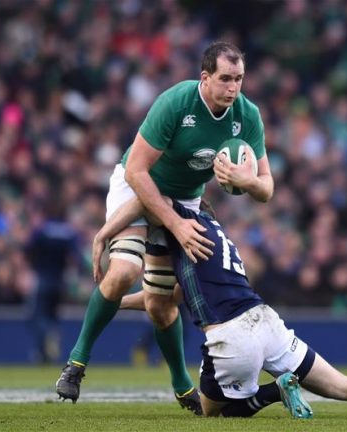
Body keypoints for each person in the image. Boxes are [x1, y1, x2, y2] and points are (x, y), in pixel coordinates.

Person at [92, 195, 347, 420]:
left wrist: (106, 234)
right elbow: (169, 297)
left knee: (213, 412)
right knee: (343, 385)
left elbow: (147, 196)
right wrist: (113, 302)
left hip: (231, 335)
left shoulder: (181, 222)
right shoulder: (217, 236)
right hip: (265, 321)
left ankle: (274, 392)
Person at [56, 41, 274, 415]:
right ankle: (76, 362)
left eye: (239, 79)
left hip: (186, 199)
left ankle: (180, 383)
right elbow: (136, 171)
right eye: (225, 79)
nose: (233, 87)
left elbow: (266, 188)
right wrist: (172, 224)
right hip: (137, 187)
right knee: (124, 272)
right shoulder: (176, 103)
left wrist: (249, 181)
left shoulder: (247, 115)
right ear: (205, 78)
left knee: (161, 304)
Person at [25, 199, 82, 364]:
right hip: (60, 281)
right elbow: (77, 257)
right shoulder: (69, 232)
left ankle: (46, 339)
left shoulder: (41, 230)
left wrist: (33, 264)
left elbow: (27, 248)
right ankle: (45, 353)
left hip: (43, 278)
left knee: (36, 316)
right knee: (53, 316)